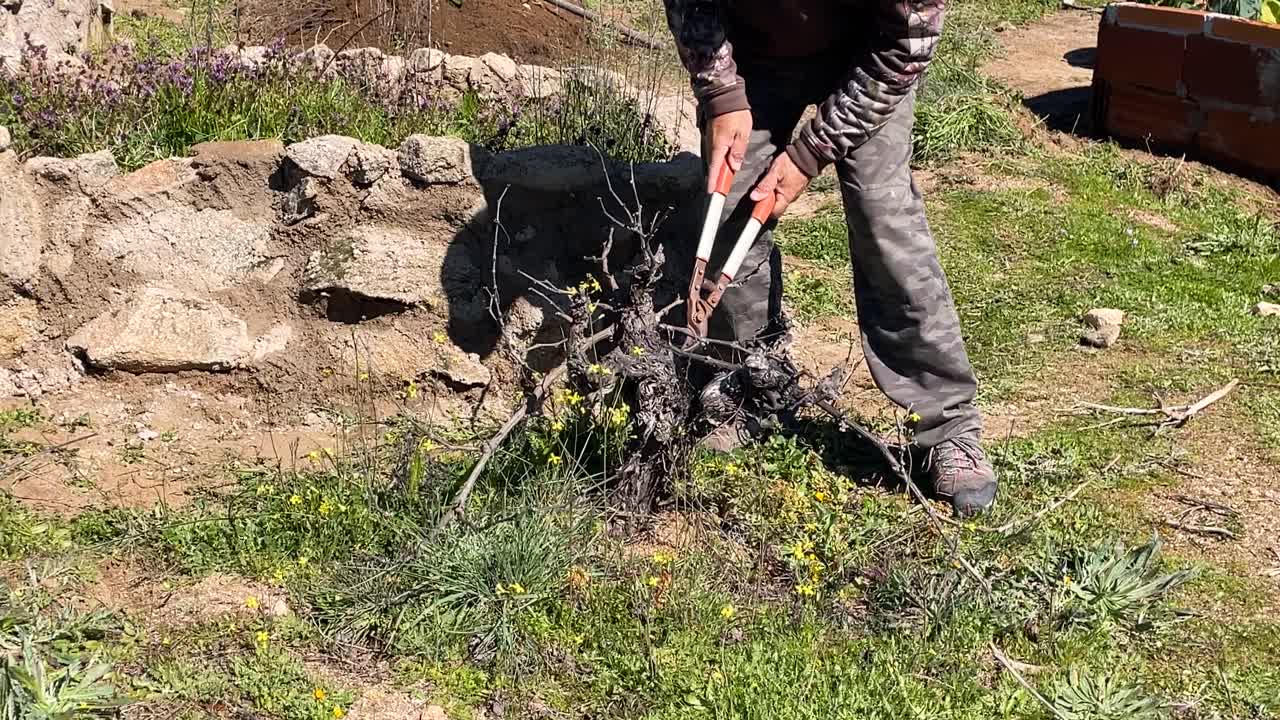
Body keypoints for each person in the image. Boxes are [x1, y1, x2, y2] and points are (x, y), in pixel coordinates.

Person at [662, 0, 997, 517]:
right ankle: (751, 385)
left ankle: (947, 424)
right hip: (756, 54)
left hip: (871, 54)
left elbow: (905, 42)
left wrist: (810, 154)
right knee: (730, 205)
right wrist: (721, 90)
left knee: (884, 216)